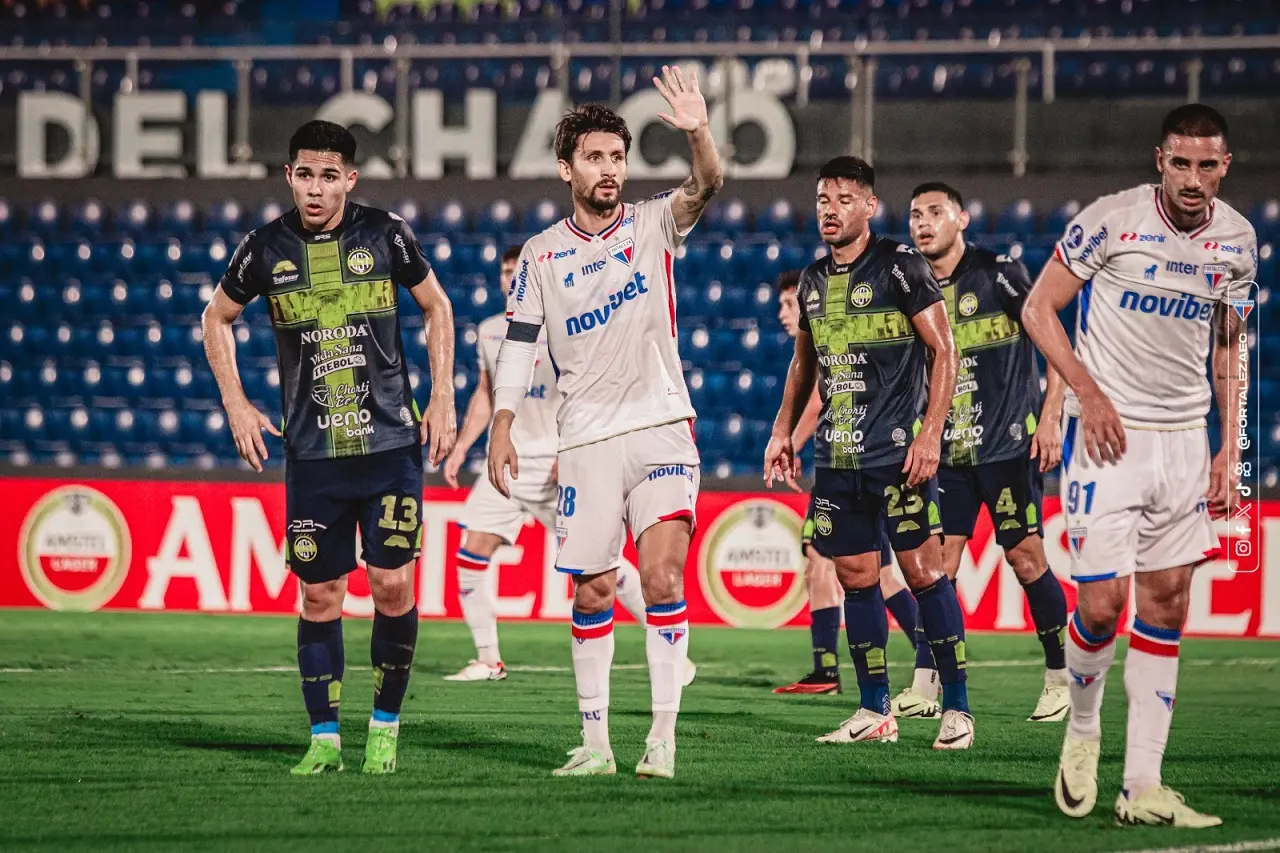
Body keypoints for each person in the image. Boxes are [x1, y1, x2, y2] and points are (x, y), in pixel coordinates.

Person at [486, 66, 723, 779]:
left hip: (660, 427)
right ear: (567, 167)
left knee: (662, 575)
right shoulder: (541, 254)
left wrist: (698, 131)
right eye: (595, 157)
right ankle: (595, 742)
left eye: (618, 157)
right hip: (583, 437)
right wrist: (502, 420)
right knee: (591, 589)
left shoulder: (654, 222)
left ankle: (662, 738)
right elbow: (520, 348)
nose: (610, 168)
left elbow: (707, 184)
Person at [1021, 104, 1255, 827]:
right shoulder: (1112, 220)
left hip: (1185, 441)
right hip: (1110, 436)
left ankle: (1142, 784)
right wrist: (1084, 395)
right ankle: (1084, 728)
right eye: (1180, 162)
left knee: (1166, 606)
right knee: (1100, 605)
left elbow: (1228, 347)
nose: (1193, 177)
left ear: (1224, 166)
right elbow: (1038, 308)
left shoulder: (1239, 241)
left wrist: (1230, 446)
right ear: (1160, 160)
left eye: (1207, 164)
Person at [202, 120, 457, 776]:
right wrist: (237, 401)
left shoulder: (387, 233)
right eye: (304, 174)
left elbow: (437, 308)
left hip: (390, 445)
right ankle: (323, 737)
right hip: (313, 454)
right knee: (321, 596)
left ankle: (384, 724)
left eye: (329, 175)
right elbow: (215, 318)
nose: (316, 188)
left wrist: (446, 398)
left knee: (391, 583)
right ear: (290, 176)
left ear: (350, 178)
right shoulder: (264, 248)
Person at [764, 156, 973, 750]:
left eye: (844, 199)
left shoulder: (901, 266)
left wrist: (932, 433)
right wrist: (783, 431)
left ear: (869, 206)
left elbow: (946, 351)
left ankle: (956, 706)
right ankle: (874, 708)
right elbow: (803, 365)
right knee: (856, 577)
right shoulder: (810, 280)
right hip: (837, 455)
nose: (831, 210)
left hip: (897, 454)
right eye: (824, 199)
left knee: (924, 573)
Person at [441, 246, 695, 687]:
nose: (510, 280)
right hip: (508, 461)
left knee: (602, 565)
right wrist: (464, 447)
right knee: (470, 554)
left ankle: (667, 638)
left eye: (517, 272)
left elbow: (587, 392)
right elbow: (487, 393)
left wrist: (570, 449)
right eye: (504, 272)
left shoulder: (565, 326)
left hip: (559, 460)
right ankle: (488, 659)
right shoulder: (488, 332)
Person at [907, 182, 1071, 722]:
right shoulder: (913, 285)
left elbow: (1052, 339)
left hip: (1006, 447)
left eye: (935, 212)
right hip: (948, 453)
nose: (923, 223)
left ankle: (1058, 675)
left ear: (962, 218)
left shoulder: (999, 273)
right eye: (914, 216)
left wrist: (1051, 416)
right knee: (936, 568)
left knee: (1026, 560)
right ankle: (927, 684)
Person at [772, 270, 937, 713]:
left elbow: (816, 400)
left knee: (824, 559)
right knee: (876, 574)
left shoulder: (832, 322)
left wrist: (791, 440)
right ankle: (932, 655)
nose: (784, 313)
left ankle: (827, 668)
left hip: (852, 458)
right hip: (862, 456)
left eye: (789, 304)